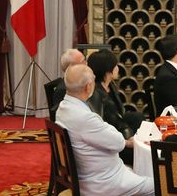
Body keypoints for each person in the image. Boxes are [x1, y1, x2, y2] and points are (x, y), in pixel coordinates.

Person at [56, 64, 154, 196]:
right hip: (104, 182)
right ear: (88, 86)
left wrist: (107, 128)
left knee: (143, 173)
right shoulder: (85, 118)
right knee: (161, 183)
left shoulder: (63, 108)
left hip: (92, 175)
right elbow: (118, 142)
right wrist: (111, 130)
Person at [87, 49, 145, 164]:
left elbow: (119, 115)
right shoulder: (96, 94)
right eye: (115, 66)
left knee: (137, 117)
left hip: (117, 130)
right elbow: (107, 125)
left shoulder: (110, 85)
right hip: (110, 143)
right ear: (107, 71)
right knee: (143, 153)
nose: (118, 68)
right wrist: (128, 139)